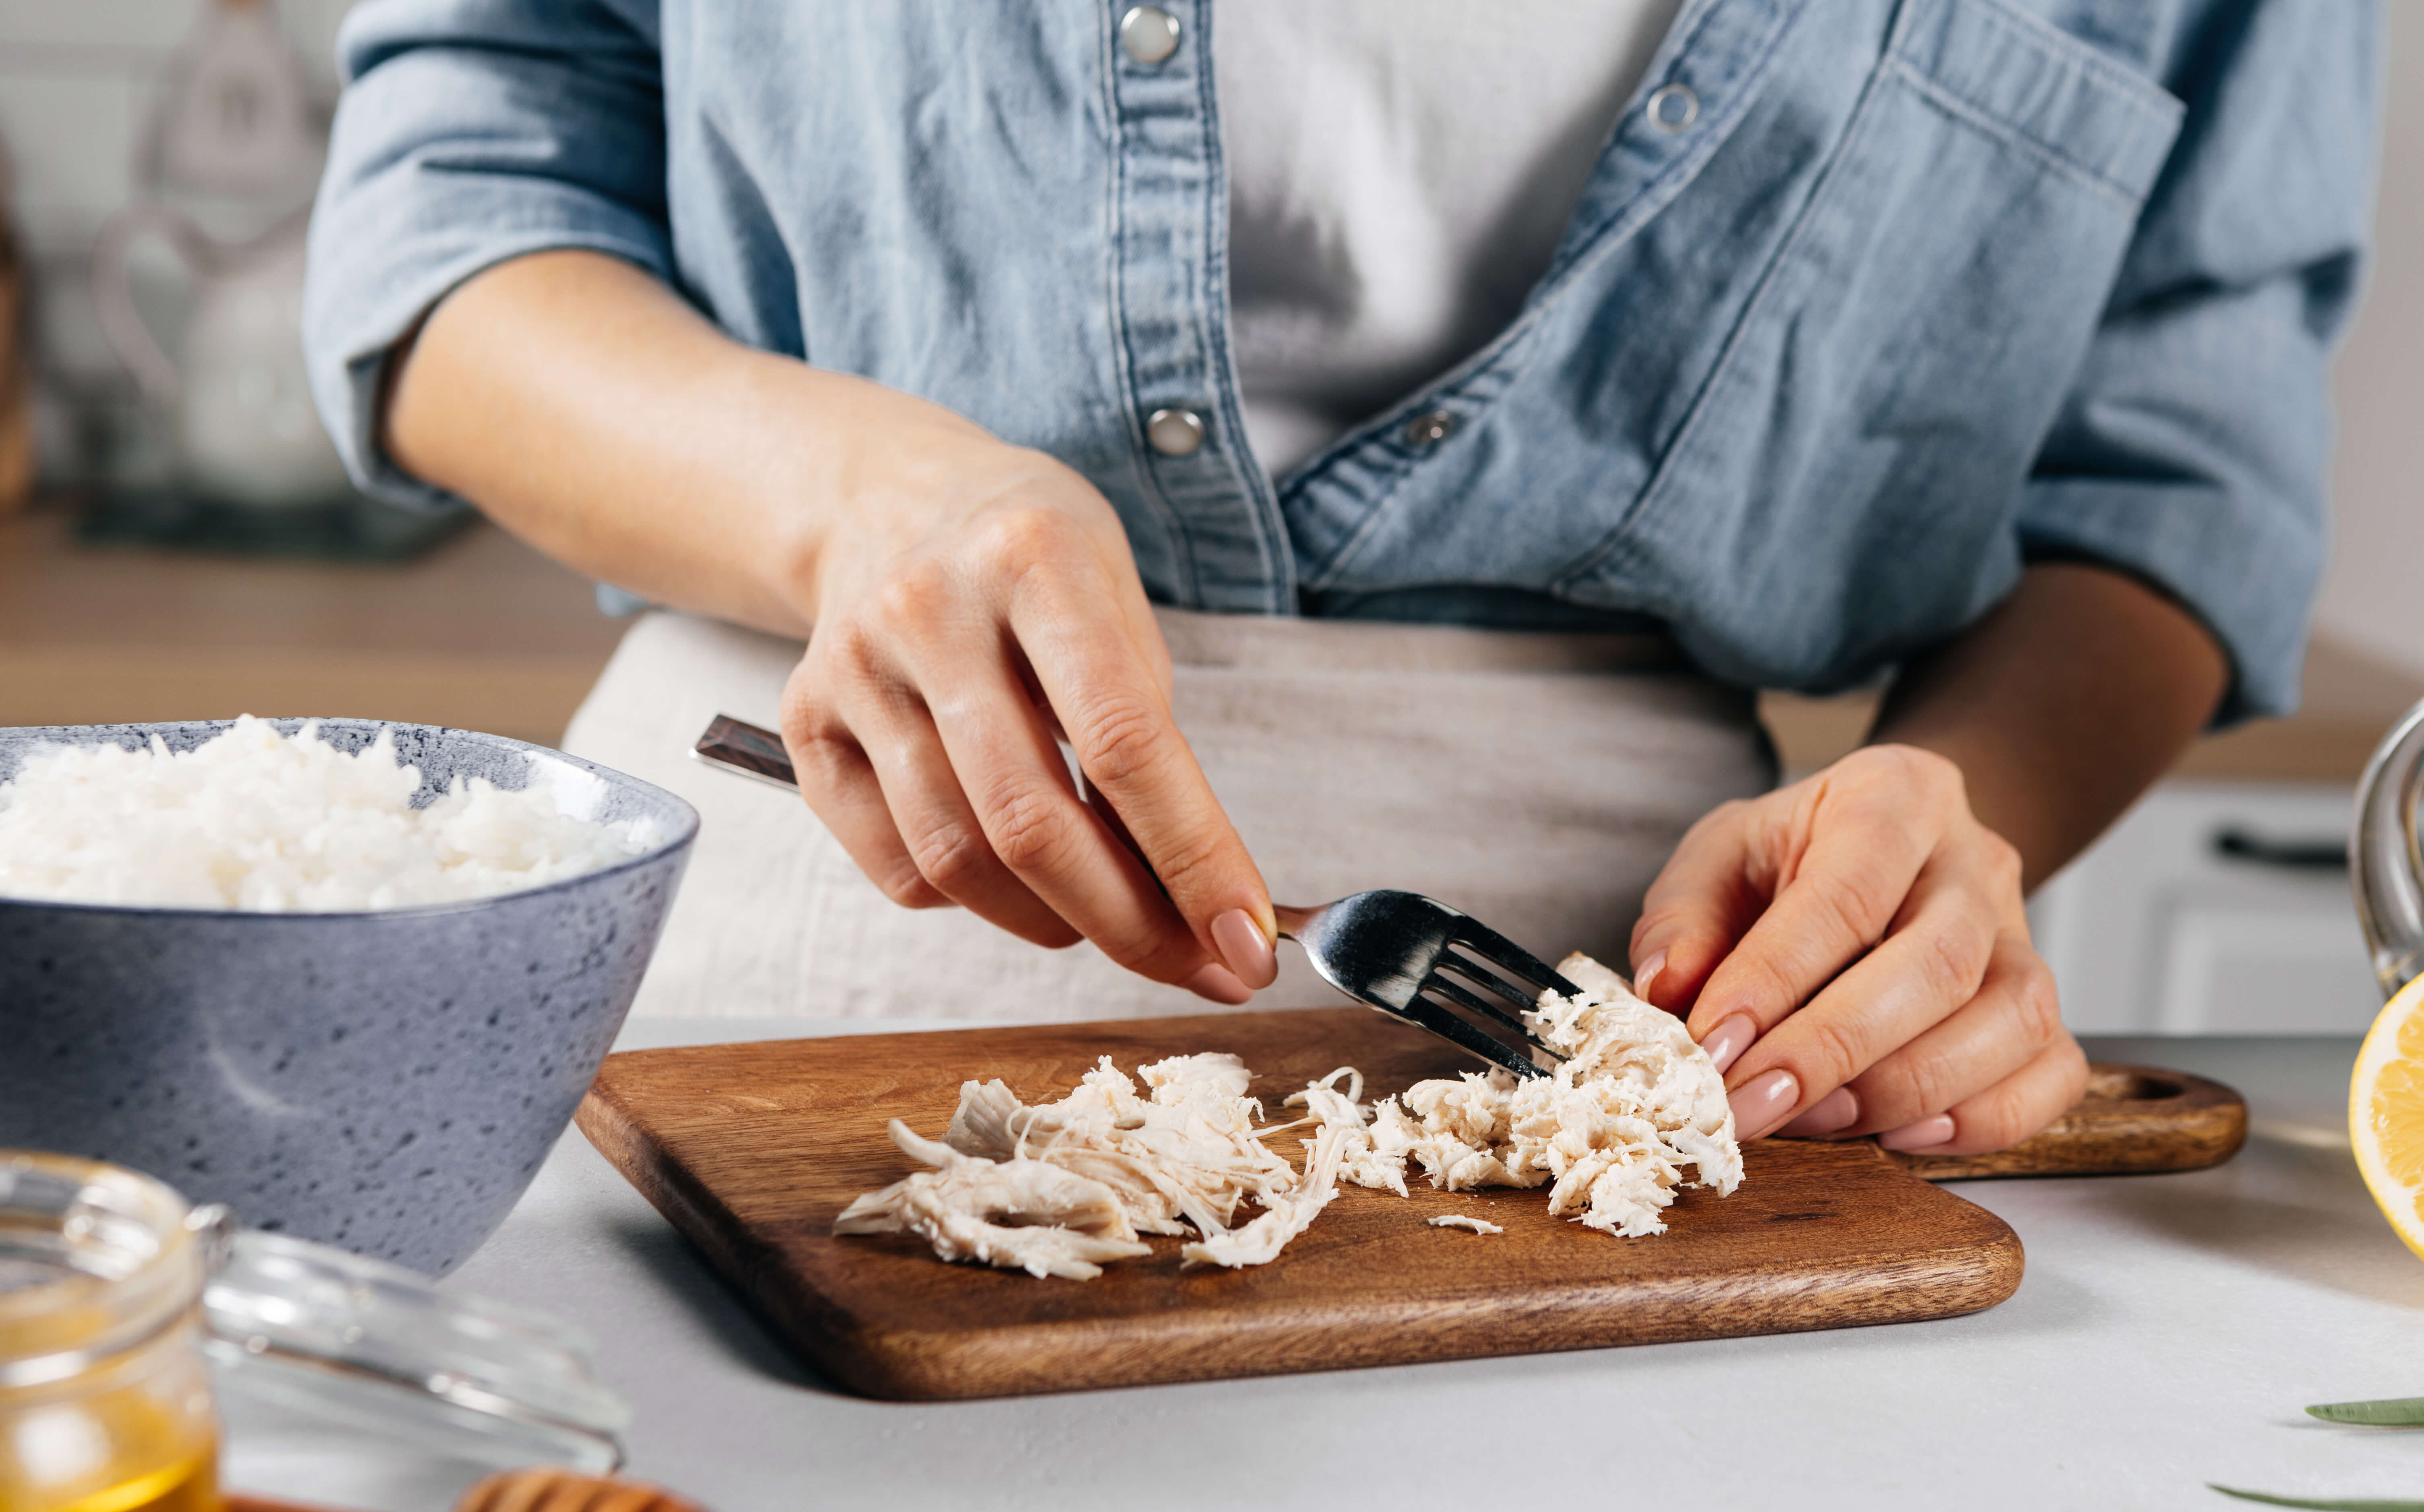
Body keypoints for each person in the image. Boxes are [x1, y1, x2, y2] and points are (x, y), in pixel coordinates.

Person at [303, 1, 2379, 1155]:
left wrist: (1945, 834)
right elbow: (450, 230)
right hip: (749, 945)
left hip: (1649, 1068)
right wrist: (854, 500)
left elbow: (2170, 479)